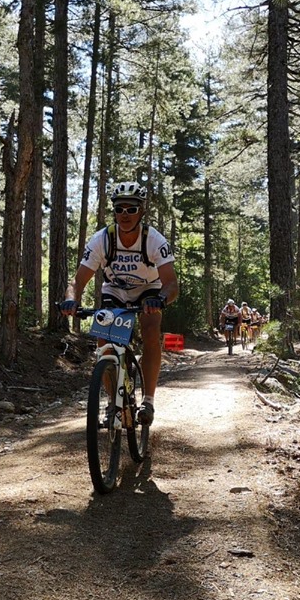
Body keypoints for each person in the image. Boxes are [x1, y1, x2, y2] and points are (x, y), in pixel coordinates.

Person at [59, 181, 179, 426]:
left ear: (141, 212)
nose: (125, 214)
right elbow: (77, 281)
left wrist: (161, 299)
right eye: (120, 209)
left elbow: (171, 284)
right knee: (104, 341)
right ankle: (113, 402)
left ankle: (148, 401)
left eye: (131, 209)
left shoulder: (154, 240)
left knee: (150, 330)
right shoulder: (101, 240)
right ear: (113, 211)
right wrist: (71, 300)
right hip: (115, 292)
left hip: (149, 291)